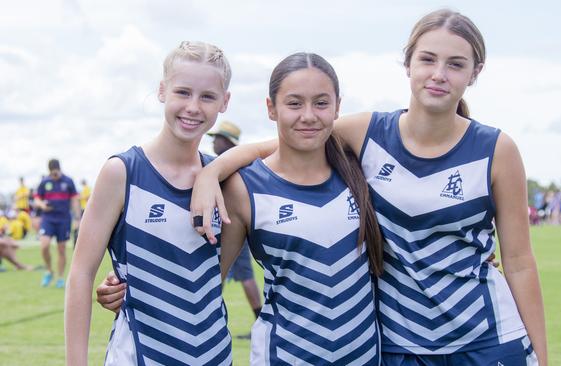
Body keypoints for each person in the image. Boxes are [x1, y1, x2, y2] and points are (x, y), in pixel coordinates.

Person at [190, 9, 547, 366]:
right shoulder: (368, 134)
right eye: (427, 59)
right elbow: (288, 141)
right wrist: (212, 171)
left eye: (455, 64)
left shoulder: (497, 150)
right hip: (397, 347)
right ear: (408, 64)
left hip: (488, 341)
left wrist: (542, 358)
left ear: (475, 72)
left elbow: (519, 263)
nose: (439, 74)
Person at [99, 52, 385, 365]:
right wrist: (132, 286)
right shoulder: (245, 187)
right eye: (293, 103)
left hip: (365, 356)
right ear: (271, 108)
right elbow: (205, 280)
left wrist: (213, 170)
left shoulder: (361, 165)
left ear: (338, 107)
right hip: (282, 356)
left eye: (321, 102)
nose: (308, 115)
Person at [65, 41, 233, 366]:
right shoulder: (123, 171)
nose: (193, 107)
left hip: (213, 355)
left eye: (208, 96)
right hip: (137, 356)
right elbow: (81, 273)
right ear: (162, 91)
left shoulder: (227, 180)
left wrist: (222, 165)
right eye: (183, 92)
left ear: (224, 102)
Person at [208, 120, 263, 340]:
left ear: (226, 142)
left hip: (230, 229)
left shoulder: (228, 165)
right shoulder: (240, 163)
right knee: (233, 274)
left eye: (217, 139)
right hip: (234, 228)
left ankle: (208, 320)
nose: (213, 143)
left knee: (225, 274)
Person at [34, 158, 81, 288]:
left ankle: (60, 278)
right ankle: (49, 270)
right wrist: (42, 205)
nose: (54, 176)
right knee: (44, 245)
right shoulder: (44, 182)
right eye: (52, 173)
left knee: (61, 249)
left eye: (56, 173)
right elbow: (37, 198)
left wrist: (78, 218)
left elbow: (75, 200)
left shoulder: (68, 181)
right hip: (48, 218)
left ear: (59, 170)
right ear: (49, 171)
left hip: (64, 219)